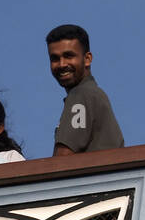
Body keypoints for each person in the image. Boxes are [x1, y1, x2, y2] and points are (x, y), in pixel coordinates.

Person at [47, 24, 124, 155]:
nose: (62, 64)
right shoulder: (94, 94)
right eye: (55, 58)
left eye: (68, 56)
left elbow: (63, 160)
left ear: (87, 59)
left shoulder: (82, 94)